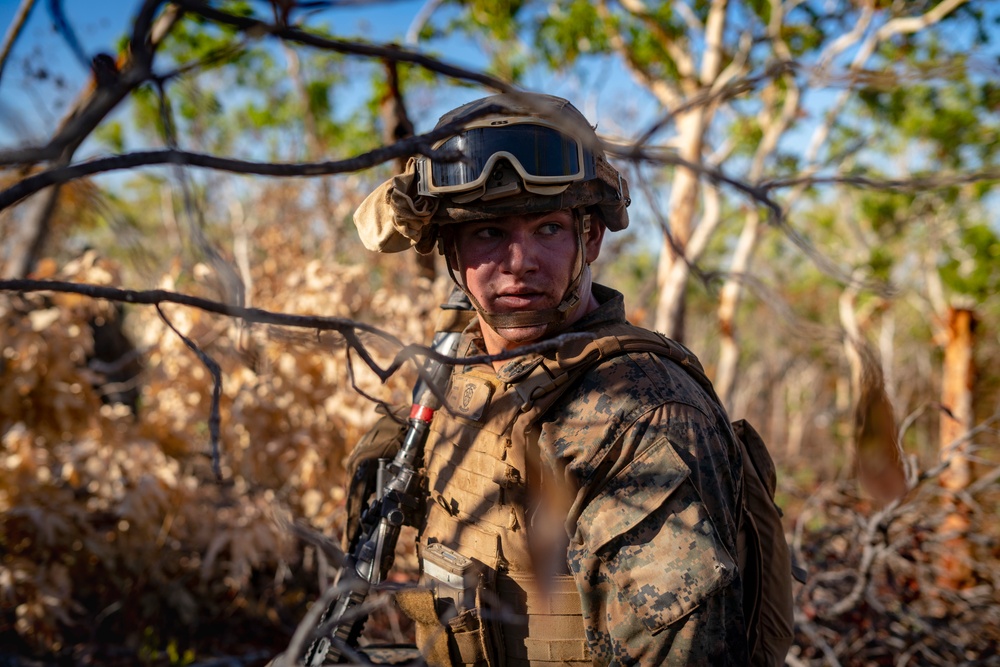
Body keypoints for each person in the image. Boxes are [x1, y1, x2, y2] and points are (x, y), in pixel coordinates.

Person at [349, 92, 793, 666]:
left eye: (548, 228)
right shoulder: (459, 370)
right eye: (488, 233)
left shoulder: (640, 416)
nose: (519, 260)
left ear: (590, 239)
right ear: (451, 251)